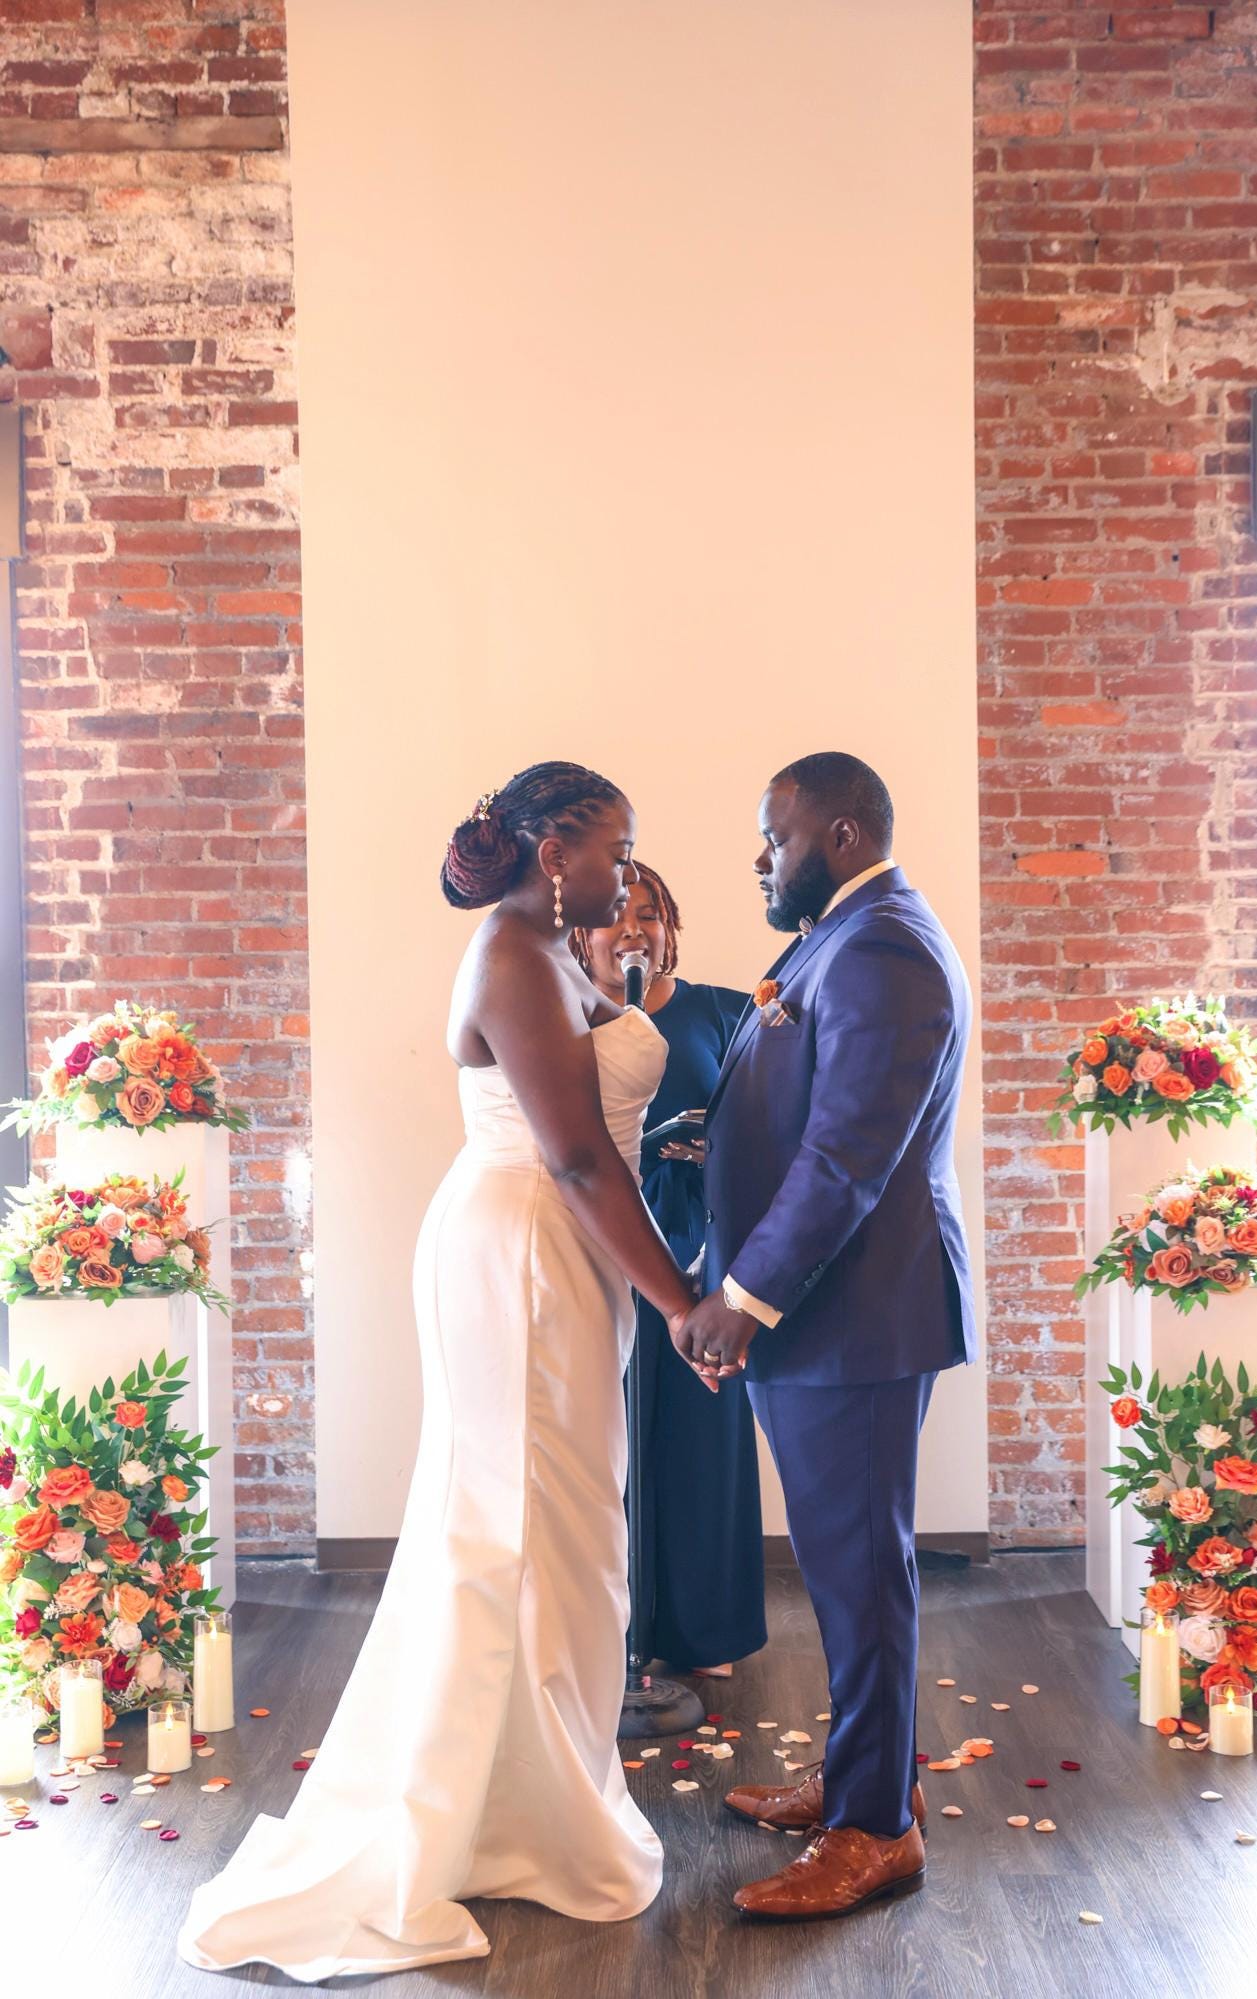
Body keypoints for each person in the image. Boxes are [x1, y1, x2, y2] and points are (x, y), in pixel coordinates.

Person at [178, 762, 698, 1980]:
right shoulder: (510, 957)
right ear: (552, 844)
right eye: (615, 847)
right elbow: (575, 1157)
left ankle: (530, 1803)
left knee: (561, 1539)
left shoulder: (558, 951)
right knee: (507, 1533)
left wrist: (634, 993)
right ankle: (481, 1820)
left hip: (561, 1260)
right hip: (518, 1248)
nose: (626, 873)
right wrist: (681, 1303)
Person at [675, 751, 977, 1923]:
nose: (762, 856)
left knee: (861, 1580)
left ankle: (875, 1832)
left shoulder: (886, 943)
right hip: (825, 1316)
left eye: (776, 836)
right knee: (852, 1574)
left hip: (849, 1314)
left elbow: (850, 1150)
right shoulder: (837, 936)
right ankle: (864, 1779)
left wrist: (741, 1293)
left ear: (841, 834)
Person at [572, 864, 766, 1678]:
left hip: (701, 1263)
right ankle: (605, 1627)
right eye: (616, 917)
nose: (633, 932)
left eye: (648, 916)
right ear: (581, 933)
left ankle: (701, 1631)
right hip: (602, 1248)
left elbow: (770, 1130)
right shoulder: (565, 1019)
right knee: (600, 1437)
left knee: (700, 1444)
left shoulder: (724, 1012)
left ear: (671, 928)